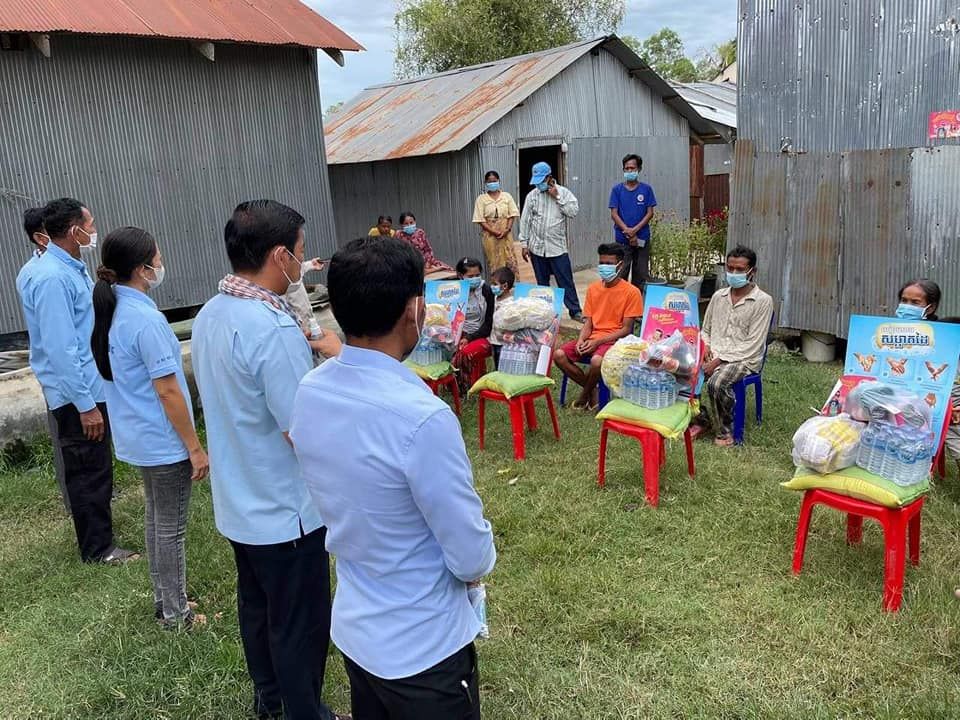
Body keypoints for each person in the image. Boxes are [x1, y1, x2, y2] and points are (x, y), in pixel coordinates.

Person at [289, 235, 496, 720]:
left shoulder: (312, 390)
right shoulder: (421, 418)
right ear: (414, 310)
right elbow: (470, 554)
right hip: (424, 646)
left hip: (359, 630)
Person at [192, 200, 345, 720]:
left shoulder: (211, 313)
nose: (303, 262)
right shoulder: (272, 328)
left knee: (257, 609)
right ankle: (304, 711)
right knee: (299, 623)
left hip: (240, 501)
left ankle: (271, 701)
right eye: (300, 251)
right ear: (280, 255)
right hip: (286, 512)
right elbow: (299, 430)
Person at [90, 227, 209, 627]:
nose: (161, 264)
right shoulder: (145, 319)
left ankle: (166, 599)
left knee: (157, 520)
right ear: (143, 269)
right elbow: (168, 390)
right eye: (157, 258)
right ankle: (176, 614)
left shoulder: (113, 311)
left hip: (139, 437)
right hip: (163, 440)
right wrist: (194, 447)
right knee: (170, 528)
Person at [16, 197, 137, 564]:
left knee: (95, 466)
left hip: (87, 384)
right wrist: (85, 405)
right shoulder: (51, 278)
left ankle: (100, 536)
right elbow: (60, 349)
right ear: (74, 231)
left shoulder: (69, 267)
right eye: (90, 225)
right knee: (87, 470)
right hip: (76, 393)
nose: (94, 231)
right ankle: (98, 549)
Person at [15, 206, 70, 515]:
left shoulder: (62, 267)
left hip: (73, 371)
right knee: (67, 442)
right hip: (59, 374)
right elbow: (56, 338)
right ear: (40, 237)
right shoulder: (40, 274)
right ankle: (74, 502)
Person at [693, 245, 774, 446]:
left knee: (716, 383)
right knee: (681, 369)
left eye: (740, 269)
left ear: (752, 271)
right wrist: (705, 346)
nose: (734, 273)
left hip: (744, 359)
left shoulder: (763, 301)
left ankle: (725, 430)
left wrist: (719, 360)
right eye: (730, 268)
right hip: (714, 353)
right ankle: (701, 418)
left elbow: (753, 344)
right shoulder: (718, 296)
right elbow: (706, 329)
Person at [554, 244, 644, 410]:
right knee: (559, 355)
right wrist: (581, 340)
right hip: (592, 338)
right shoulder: (593, 289)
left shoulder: (632, 292)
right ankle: (592, 390)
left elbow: (625, 329)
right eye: (602, 263)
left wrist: (597, 342)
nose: (604, 267)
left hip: (614, 341)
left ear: (620, 265)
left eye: (609, 264)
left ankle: (584, 395)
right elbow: (588, 322)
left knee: (596, 361)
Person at [518, 162, 583, 321]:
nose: (539, 184)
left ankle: (575, 310)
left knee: (565, 280)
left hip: (557, 248)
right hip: (537, 248)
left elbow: (573, 212)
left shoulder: (564, 193)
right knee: (542, 283)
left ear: (549, 177)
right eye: (537, 181)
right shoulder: (532, 196)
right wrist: (524, 244)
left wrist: (557, 197)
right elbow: (525, 221)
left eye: (542, 180)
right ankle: (547, 313)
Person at [609, 153, 657, 288]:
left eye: (632, 168)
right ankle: (621, 300)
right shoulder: (617, 190)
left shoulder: (646, 189)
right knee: (621, 272)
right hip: (622, 239)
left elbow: (650, 213)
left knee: (640, 274)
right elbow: (614, 214)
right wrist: (628, 231)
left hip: (642, 239)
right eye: (627, 168)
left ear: (639, 169)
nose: (629, 171)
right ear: (623, 170)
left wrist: (635, 230)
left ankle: (637, 299)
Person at [453, 257, 495, 390]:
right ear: (460, 276)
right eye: (470, 276)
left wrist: (469, 337)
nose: (475, 279)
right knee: (446, 348)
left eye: (477, 275)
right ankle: (452, 385)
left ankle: (466, 388)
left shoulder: (486, 291)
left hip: (483, 334)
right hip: (458, 332)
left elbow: (489, 324)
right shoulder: (453, 291)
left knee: (465, 353)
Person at [473, 170, 520, 274]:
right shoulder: (481, 199)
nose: (492, 183)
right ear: (485, 183)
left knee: (510, 260)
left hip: (506, 234)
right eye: (489, 181)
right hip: (490, 236)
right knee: (495, 262)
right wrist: (494, 232)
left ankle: (513, 283)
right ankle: (497, 283)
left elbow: (512, 214)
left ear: (499, 181)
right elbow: (480, 220)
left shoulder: (507, 196)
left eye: (494, 181)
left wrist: (507, 229)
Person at [488, 266, 516, 367]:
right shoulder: (494, 298)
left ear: (505, 286)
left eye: (495, 284)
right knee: (497, 366)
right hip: (494, 341)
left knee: (504, 367)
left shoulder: (511, 303)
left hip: (505, 343)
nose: (492, 286)